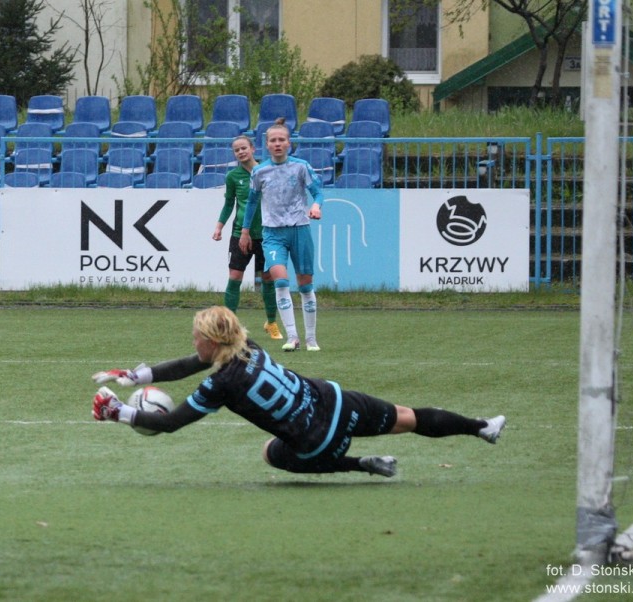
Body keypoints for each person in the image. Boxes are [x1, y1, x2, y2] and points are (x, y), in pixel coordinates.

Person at [90, 306, 506, 479]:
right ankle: (481, 426)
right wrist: (137, 376)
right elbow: (191, 363)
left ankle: (362, 464)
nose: (193, 341)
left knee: (271, 453)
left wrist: (117, 413)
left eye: (197, 336)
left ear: (212, 342)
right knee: (408, 417)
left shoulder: (221, 384)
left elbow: (171, 424)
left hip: (319, 441)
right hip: (337, 402)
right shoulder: (247, 345)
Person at [239, 117, 323, 352]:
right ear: (267, 145)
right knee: (281, 281)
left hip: (299, 230)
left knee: (305, 285)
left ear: (289, 143)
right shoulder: (259, 171)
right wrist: (245, 231)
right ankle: (293, 337)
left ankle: (311, 338)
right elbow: (252, 202)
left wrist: (316, 206)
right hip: (273, 234)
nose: (277, 144)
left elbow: (318, 192)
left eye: (281, 140)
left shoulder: (301, 167)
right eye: (273, 140)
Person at [212, 135, 281, 340]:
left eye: (244, 148)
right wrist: (219, 227)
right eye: (237, 150)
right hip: (240, 234)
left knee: (268, 279)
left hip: (267, 234)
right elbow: (229, 204)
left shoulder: (267, 171)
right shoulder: (233, 176)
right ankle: (229, 326)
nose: (241, 152)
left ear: (252, 149)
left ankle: (271, 322)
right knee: (235, 278)